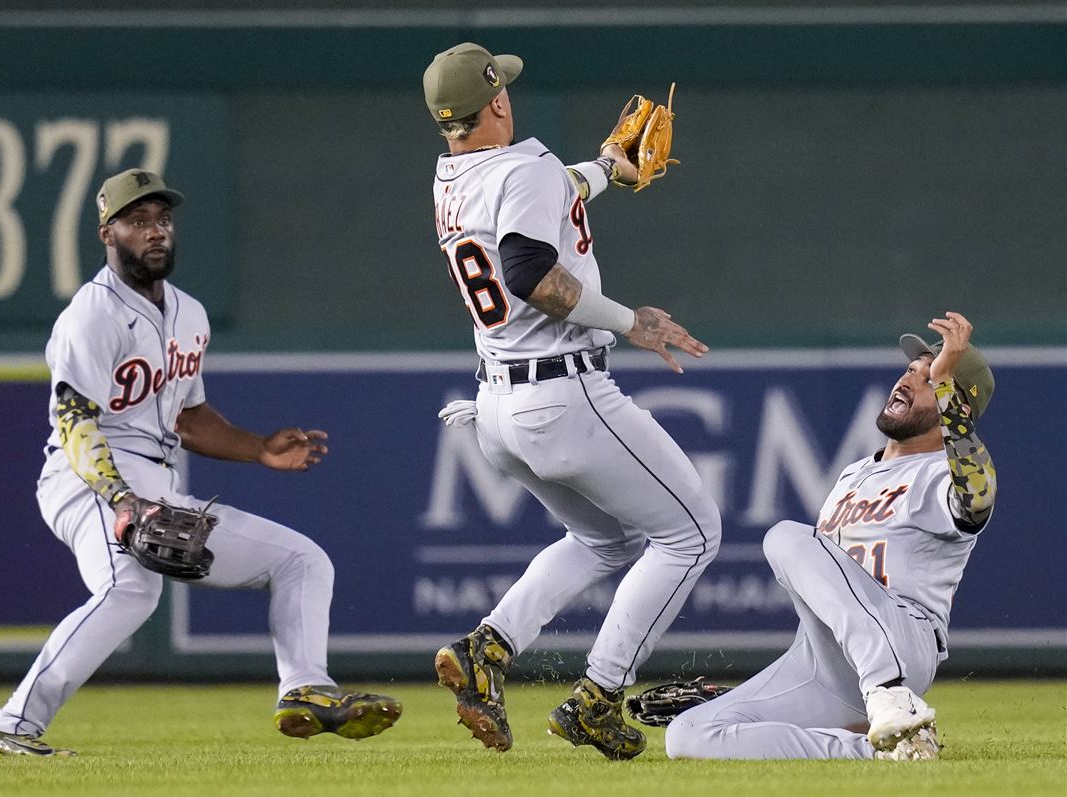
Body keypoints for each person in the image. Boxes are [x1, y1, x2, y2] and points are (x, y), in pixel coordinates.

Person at [0, 169, 401, 757]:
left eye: (162, 220)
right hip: (87, 479)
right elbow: (73, 421)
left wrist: (259, 448)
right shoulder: (89, 316)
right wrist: (123, 502)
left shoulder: (189, 314)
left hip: (155, 481)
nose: (155, 231)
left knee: (303, 561)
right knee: (130, 590)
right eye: (138, 221)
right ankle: (7, 727)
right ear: (107, 233)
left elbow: (190, 418)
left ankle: (305, 689)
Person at [422, 43, 722, 760]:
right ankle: (598, 694)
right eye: (505, 90)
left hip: (498, 402)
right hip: (563, 391)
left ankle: (486, 648)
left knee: (605, 540)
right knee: (693, 532)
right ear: (496, 102)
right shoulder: (522, 169)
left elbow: (546, 190)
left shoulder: (453, 173)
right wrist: (632, 321)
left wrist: (607, 171)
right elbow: (530, 271)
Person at [662, 312, 995, 761]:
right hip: (825, 661)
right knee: (688, 735)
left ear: (955, 406)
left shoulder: (938, 473)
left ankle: (889, 692)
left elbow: (976, 499)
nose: (908, 380)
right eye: (911, 370)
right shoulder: (855, 473)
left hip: (904, 637)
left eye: (929, 377)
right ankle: (887, 752)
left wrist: (946, 389)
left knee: (784, 537)